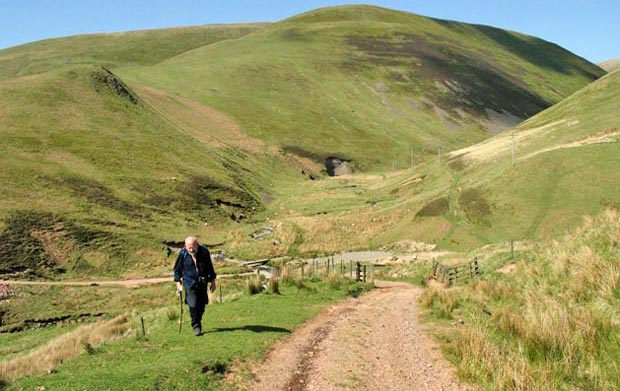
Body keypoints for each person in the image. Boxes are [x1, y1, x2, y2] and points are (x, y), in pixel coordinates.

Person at [174, 236, 217, 336]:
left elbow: (210, 267)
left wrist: (213, 281)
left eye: (193, 247)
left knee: (201, 305)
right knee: (193, 304)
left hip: (202, 282)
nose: (191, 250)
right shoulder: (183, 253)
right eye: (189, 247)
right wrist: (178, 283)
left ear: (197, 245)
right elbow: (177, 269)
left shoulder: (204, 251)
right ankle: (196, 326)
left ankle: (197, 320)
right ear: (185, 246)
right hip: (189, 283)